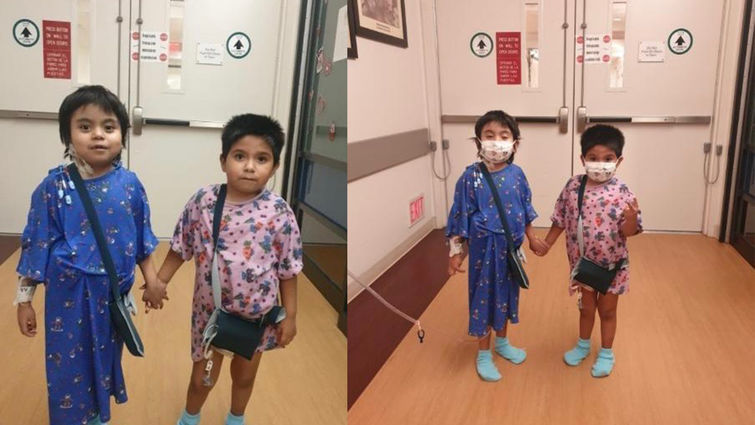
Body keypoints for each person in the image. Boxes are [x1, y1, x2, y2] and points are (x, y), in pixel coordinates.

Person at [14, 85, 163, 425]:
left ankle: (97, 414)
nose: (98, 135)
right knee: (67, 364)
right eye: (85, 126)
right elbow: (37, 245)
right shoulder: (52, 188)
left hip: (112, 295)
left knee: (106, 357)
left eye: (108, 127)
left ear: (122, 136)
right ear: (67, 135)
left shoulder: (131, 185)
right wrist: (24, 300)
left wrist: (153, 281)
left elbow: (141, 239)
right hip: (68, 296)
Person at [154, 114, 303, 425]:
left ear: (275, 166)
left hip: (255, 318)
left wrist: (291, 315)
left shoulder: (279, 212)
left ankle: (236, 418)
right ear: (223, 161)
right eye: (240, 156)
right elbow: (181, 246)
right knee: (203, 378)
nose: (249, 166)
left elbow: (289, 270)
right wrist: (159, 281)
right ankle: (189, 418)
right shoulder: (205, 201)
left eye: (261, 158)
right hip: (211, 314)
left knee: (245, 378)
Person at [446, 110, 548, 382]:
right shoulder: (470, 178)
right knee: (484, 300)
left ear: (515, 143)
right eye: (489, 136)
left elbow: (525, 210)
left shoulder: (518, 175)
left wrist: (532, 237)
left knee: (506, 295)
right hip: (483, 251)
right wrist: (456, 254)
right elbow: (459, 217)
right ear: (478, 142)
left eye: (504, 136)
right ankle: (483, 353)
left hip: (511, 252)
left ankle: (502, 343)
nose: (496, 141)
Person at [538, 124, 642, 377]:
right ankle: (583, 345)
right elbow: (560, 217)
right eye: (593, 158)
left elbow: (630, 231)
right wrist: (547, 243)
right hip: (582, 265)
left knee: (607, 311)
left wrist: (630, 218)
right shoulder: (574, 187)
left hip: (611, 267)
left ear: (618, 161)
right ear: (582, 159)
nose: (600, 164)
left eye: (607, 159)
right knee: (585, 308)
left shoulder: (622, 192)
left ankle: (606, 352)